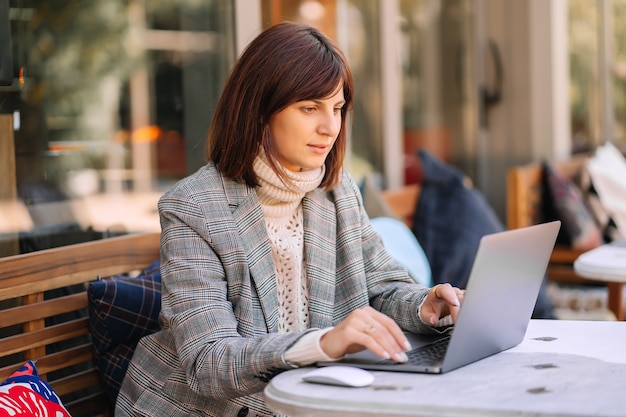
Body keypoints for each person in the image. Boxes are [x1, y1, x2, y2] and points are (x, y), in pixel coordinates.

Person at [116, 21, 465, 417]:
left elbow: (382, 287)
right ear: (261, 109)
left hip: (311, 400)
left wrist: (426, 304)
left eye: (336, 108)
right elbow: (208, 361)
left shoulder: (335, 191)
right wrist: (323, 343)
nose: (330, 127)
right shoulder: (194, 208)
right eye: (309, 108)